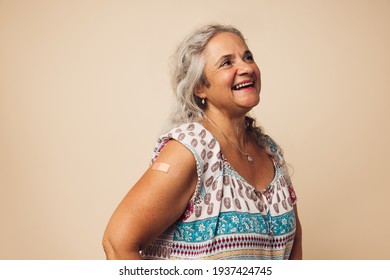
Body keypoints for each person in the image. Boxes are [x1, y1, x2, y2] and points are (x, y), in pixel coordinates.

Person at [102, 24, 302, 260]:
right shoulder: (190, 149)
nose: (246, 67)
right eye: (227, 62)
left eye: (247, 57)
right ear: (199, 87)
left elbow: (294, 247)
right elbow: (117, 243)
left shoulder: (270, 152)